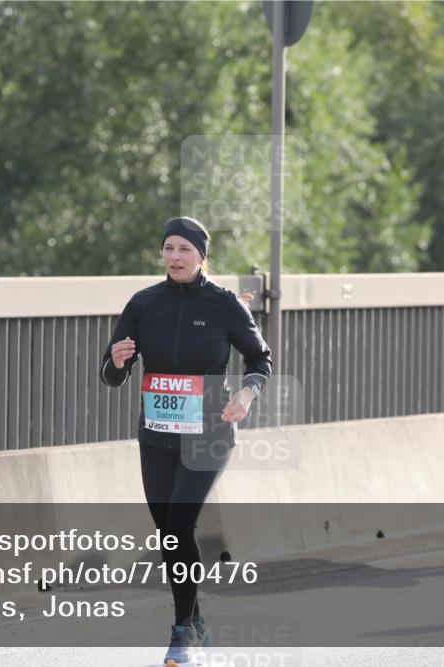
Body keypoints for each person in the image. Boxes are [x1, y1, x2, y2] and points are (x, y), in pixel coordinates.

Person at [100, 216, 272, 665]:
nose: (175, 257)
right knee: (168, 532)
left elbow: (260, 359)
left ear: (201, 256)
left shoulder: (225, 304)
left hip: (209, 435)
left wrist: (246, 395)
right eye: (169, 248)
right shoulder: (143, 303)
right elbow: (111, 375)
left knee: (179, 525)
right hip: (157, 436)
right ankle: (195, 621)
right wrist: (116, 362)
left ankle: (181, 634)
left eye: (184, 250)